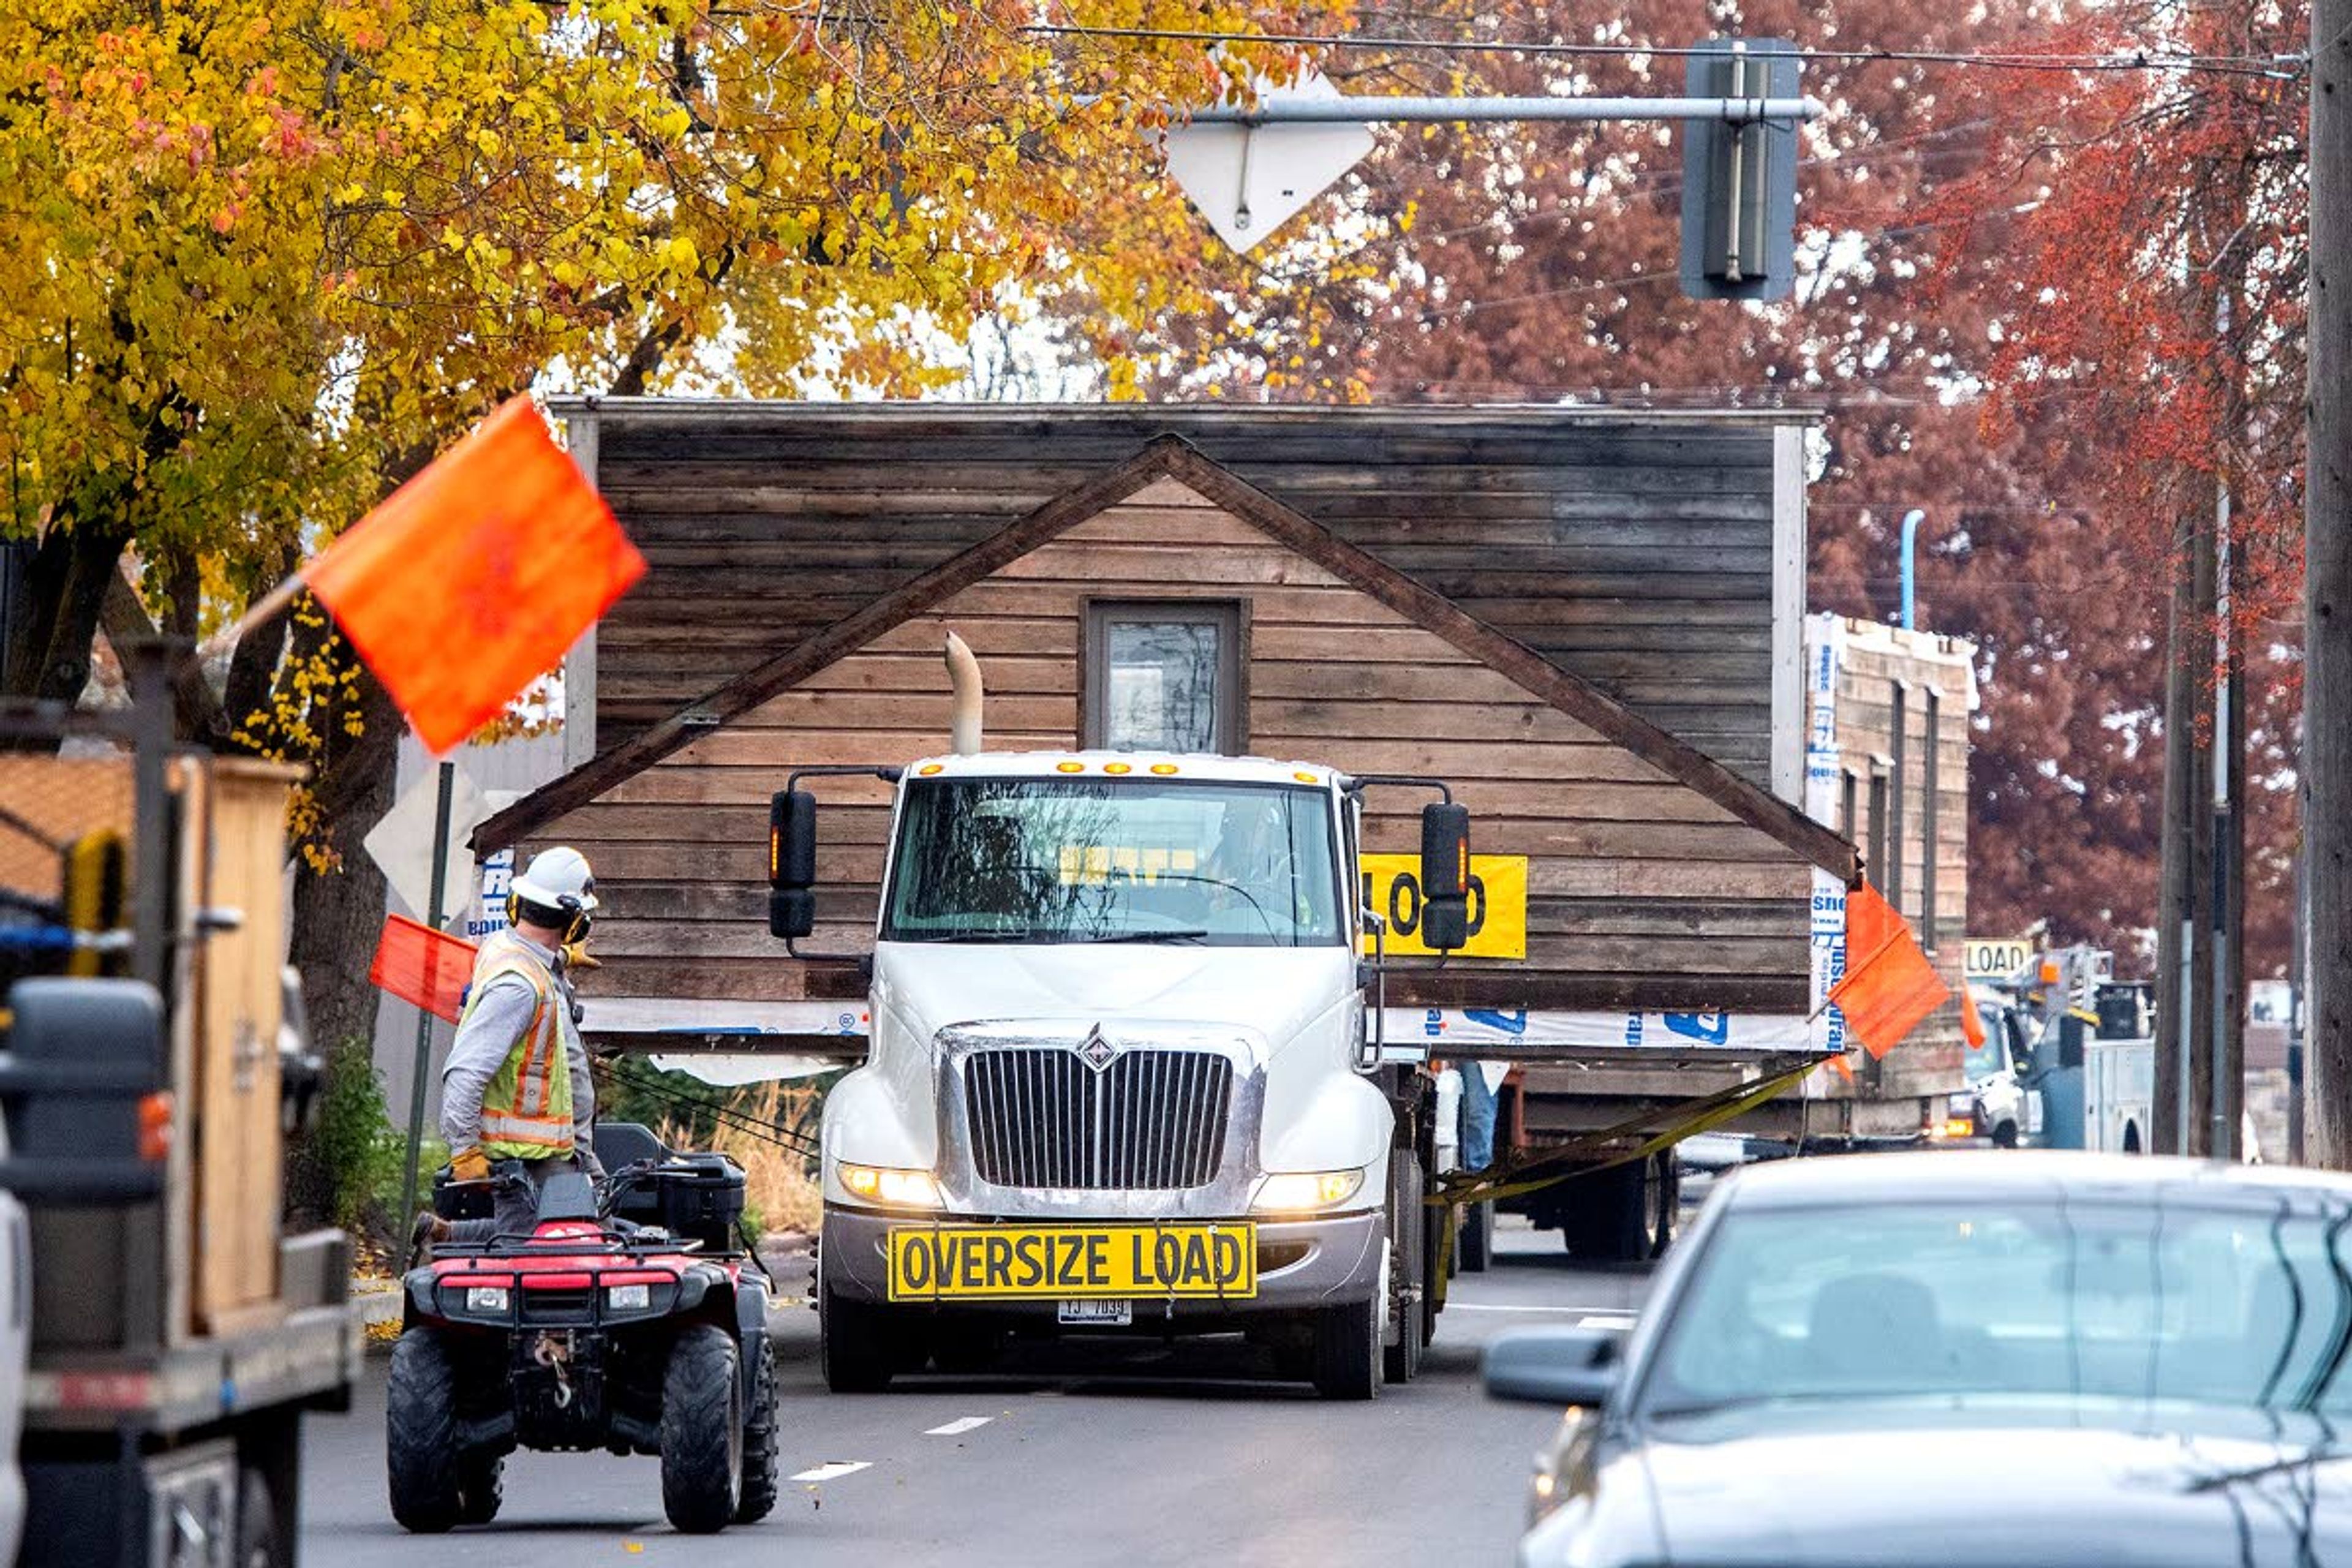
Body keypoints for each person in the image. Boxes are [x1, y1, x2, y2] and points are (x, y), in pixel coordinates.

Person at [411, 846, 606, 1256]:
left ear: (520, 904)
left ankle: (444, 1234)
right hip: (529, 1157)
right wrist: (464, 1151)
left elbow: (520, 952)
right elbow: (465, 1072)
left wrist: (561, 959)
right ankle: (547, 1321)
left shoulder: (506, 950)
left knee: (568, 1238)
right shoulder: (519, 987)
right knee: (543, 1256)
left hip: (556, 1151)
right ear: (576, 922)